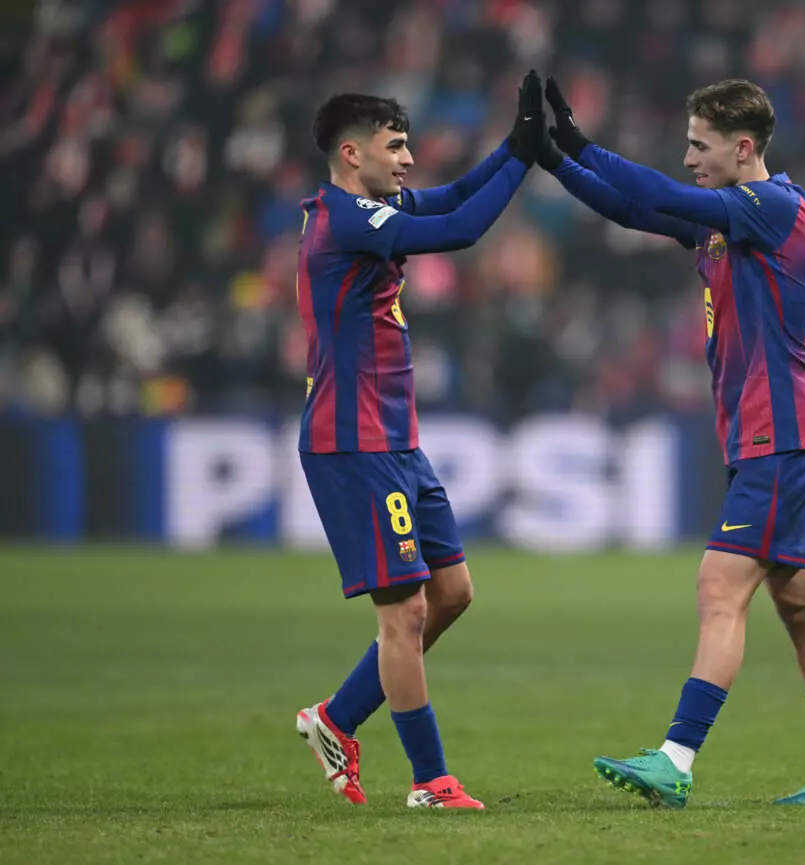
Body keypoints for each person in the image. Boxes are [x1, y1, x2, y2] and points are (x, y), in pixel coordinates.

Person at [537, 77, 805, 807]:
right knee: (803, 604)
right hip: (770, 432)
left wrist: (580, 143)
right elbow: (636, 207)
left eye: (700, 144)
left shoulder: (775, 206)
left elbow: (672, 196)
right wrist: (557, 161)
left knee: (720, 586)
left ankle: (676, 756)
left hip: (780, 431)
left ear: (743, 148)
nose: (689, 156)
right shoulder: (731, 221)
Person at [293, 72, 546, 810]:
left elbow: (455, 197)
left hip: (396, 438)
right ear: (350, 153)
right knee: (402, 614)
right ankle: (431, 781)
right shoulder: (345, 220)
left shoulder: (373, 208)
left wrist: (515, 147)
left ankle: (335, 718)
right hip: (354, 440)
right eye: (394, 146)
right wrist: (525, 162)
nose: (409, 159)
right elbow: (460, 231)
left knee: (452, 592)